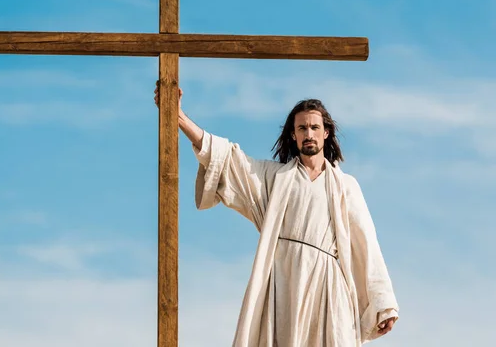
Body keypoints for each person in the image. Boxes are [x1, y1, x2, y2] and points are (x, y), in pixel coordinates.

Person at [154, 83, 399, 346]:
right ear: (293, 135)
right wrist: (177, 115)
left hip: (327, 288)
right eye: (302, 128)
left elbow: (366, 243)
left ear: (326, 133)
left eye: (314, 127)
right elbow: (227, 159)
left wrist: (382, 301)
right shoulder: (275, 179)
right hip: (283, 284)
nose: (308, 133)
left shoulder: (345, 186)